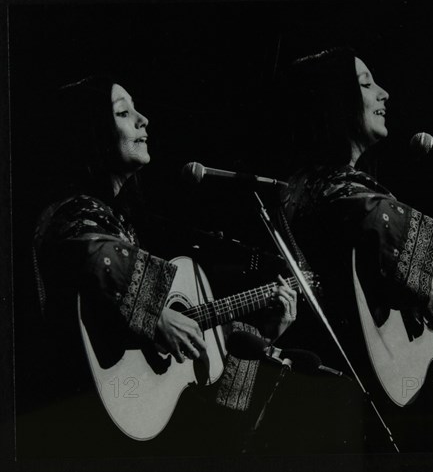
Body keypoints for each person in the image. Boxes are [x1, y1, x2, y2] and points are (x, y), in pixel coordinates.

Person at [29, 75, 297, 457]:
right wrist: (155, 314)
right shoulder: (69, 215)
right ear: (92, 133)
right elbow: (90, 252)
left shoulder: (125, 225)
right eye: (124, 112)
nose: (144, 120)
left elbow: (215, 390)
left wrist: (266, 335)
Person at [278, 47, 433, 451]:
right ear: (334, 101)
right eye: (366, 83)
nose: (384, 93)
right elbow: (384, 229)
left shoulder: (343, 194)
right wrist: (428, 282)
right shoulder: (330, 195)